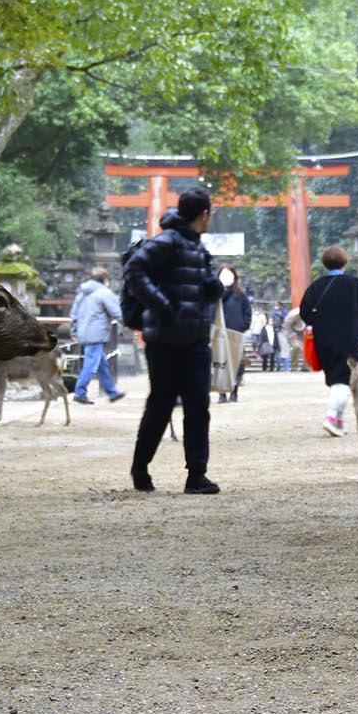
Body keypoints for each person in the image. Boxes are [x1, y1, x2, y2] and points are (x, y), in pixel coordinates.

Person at [124, 187, 225, 494]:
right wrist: (163, 306)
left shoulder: (197, 246)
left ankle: (197, 475)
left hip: (195, 339)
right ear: (204, 214)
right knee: (161, 405)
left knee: (198, 407)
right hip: (165, 339)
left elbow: (193, 284)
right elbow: (134, 270)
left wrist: (212, 287)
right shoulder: (167, 240)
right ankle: (140, 470)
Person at [298, 245, 358, 436]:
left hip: (324, 340)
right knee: (343, 380)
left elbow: (304, 312)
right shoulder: (355, 284)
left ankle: (338, 421)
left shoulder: (316, 287)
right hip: (351, 339)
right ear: (345, 262)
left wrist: (320, 323)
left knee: (335, 379)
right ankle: (331, 416)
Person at [68, 266, 126, 405]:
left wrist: (73, 331)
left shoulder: (82, 293)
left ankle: (112, 392)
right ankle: (80, 392)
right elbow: (117, 312)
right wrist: (132, 323)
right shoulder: (104, 293)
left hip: (84, 332)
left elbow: (74, 314)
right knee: (90, 364)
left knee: (101, 364)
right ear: (104, 279)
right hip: (96, 333)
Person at [217, 266, 253, 403]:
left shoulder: (240, 295)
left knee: (237, 364)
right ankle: (221, 393)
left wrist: (243, 325)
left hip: (236, 333)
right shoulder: (216, 295)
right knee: (220, 363)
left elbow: (247, 312)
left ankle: (234, 391)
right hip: (219, 334)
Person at [283, 306, 307, 371]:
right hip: (292, 331)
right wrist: (292, 333)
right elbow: (287, 323)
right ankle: (294, 366)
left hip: (303, 332)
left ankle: (305, 367)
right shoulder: (295, 313)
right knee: (296, 346)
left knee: (308, 348)